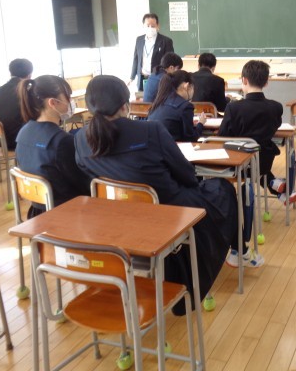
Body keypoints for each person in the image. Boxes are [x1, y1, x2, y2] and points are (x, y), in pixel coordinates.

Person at [74, 75, 240, 310]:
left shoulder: (81, 139)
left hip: (120, 218)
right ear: (124, 105)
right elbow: (186, 174)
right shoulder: (150, 130)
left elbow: (88, 176)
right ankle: (233, 254)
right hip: (169, 211)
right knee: (222, 189)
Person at [219, 60, 296, 204]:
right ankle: (276, 186)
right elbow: (275, 126)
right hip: (264, 162)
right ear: (266, 82)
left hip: (239, 163)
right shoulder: (276, 107)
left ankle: (274, 184)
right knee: (256, 164)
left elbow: (222, 137)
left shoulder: (233, 108)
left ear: (244, 80)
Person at [15, 75, 90, 218]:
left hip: (37, 212)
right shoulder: (62, 141)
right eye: (68, 97)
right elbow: (83, 183)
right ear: (53, 103)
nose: (70, 102)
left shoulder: (24, 132)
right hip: (66, 214)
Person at [147, 70, 206, 142]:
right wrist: (201, 123)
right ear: (187, 86)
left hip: (153, 146)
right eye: (193, 88)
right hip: (172, 147)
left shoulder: (159, 101)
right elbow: (191, 138)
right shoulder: (186, 106)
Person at [0, 58, 33, 150]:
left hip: (2, 142)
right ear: (29, 75)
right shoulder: (27, 91)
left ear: (11, 73)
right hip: (21, 141)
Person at [128, 13, 174, 91]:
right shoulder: (139, 40)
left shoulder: (166, 41)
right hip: (142, 78)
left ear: (158, 26)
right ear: (143, 26)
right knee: (142, 98)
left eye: (153, 26)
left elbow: (170, 62)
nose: (150, 28)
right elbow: (136, 59)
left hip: (158, 79)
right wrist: (131, 77)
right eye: (148, 26)